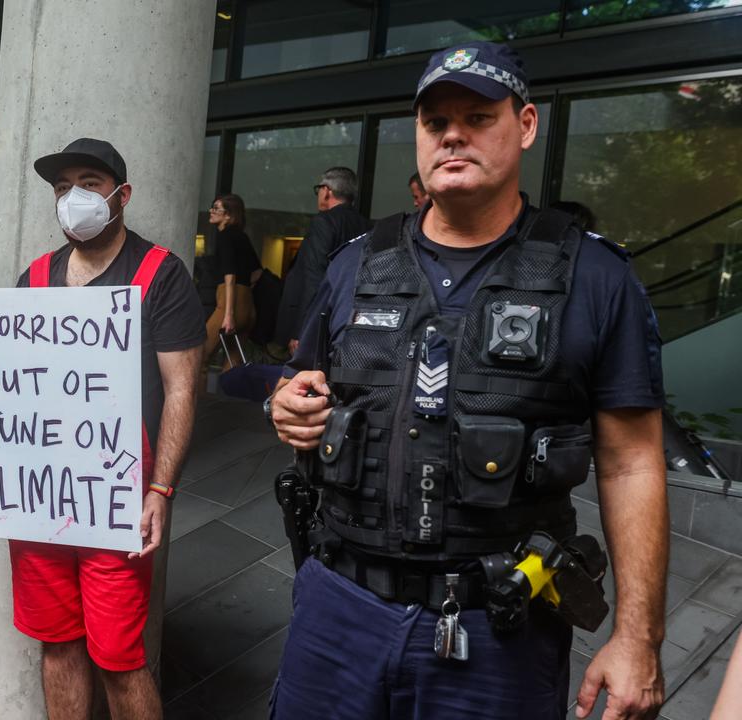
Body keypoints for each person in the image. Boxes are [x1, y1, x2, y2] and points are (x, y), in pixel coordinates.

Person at [267, 41, 667, 719]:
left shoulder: (596, 280)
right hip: (338, 612)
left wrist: (638, 638)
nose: (452, 133)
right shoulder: (355, 265)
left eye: (478, 116)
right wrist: (287, 408)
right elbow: (299, 385)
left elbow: (632, 463)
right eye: (434, 122)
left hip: (496, 629)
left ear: (528, 125)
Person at [0, 137, 203, 719]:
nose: (74, 198)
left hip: (116, 504)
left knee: (119, 656)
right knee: (58, 644)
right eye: (63, 188)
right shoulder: (35, 277)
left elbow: (183, 390)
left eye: (89, 183)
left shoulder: (159, 275)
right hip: (38, 507)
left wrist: (161, 489)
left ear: (122, 195)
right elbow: (5, 395)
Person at [275, 167, 370, 354]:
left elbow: (314, 277)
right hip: (349, 319)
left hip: (318, 323)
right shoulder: (366, 225)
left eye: (319, 188)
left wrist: (302, 331)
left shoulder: (324, 222)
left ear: (327, 191)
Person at [204, 193, 260, 366]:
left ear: (228, 215)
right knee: (234, 364)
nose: (211, 211)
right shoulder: (242, 236)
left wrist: (229, 314)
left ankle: (197, 394)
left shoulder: (225, 236)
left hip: (230, 303)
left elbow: (230, 276)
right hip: (248, 307)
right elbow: (257, 272)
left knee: (199, 357)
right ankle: (228, 394)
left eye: (216, 208)